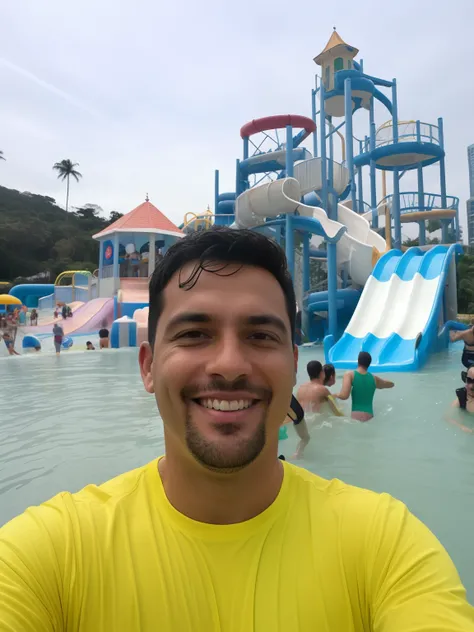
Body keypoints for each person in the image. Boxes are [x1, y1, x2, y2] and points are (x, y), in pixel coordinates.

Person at [1, 228, 473, 630]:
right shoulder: (54, 554)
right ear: (147, 367)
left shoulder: (384, 543)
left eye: (260, 335)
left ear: (292, 367)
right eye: (194, 334)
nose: (229, 364)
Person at [336, 351, 394, 421]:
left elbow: (344, 395)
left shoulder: (349, 375)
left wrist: (334, 395)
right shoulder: (374, 378)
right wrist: (393, 383)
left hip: (356, 416)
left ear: (358, 361)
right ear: (369, 364)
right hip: (370, 417)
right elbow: (388, 384)